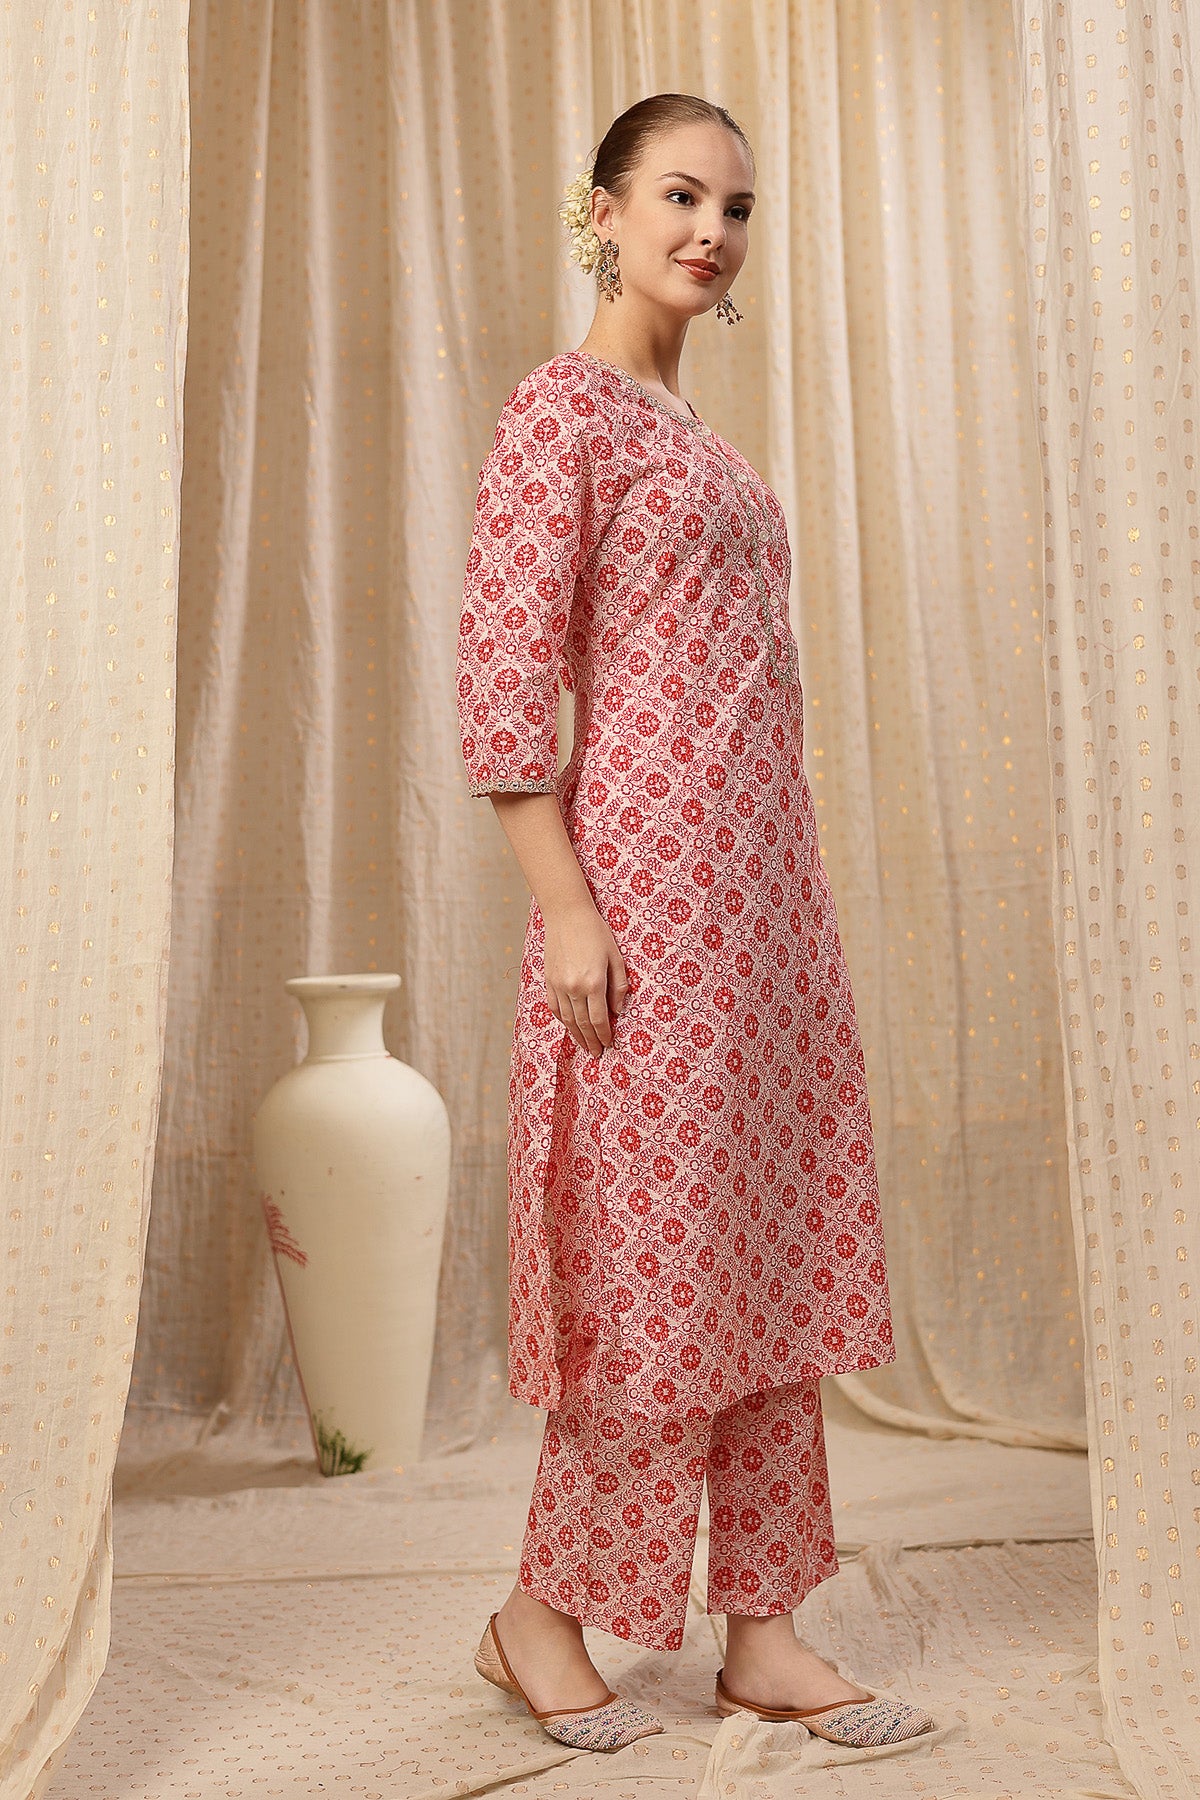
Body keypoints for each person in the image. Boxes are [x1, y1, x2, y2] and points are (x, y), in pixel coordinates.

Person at [455, 92, 934, 1754]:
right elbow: (502, 688)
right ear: (601, 211)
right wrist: (569, 912)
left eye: (734, 208)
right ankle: (540, 1614)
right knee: (650, 1266)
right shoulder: (560, 413)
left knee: (767, 1257)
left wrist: (787, 910)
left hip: (766, 907)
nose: (711, 232)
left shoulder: (699, 437)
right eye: (677, 196)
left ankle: (768, 1630)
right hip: (644, 902)